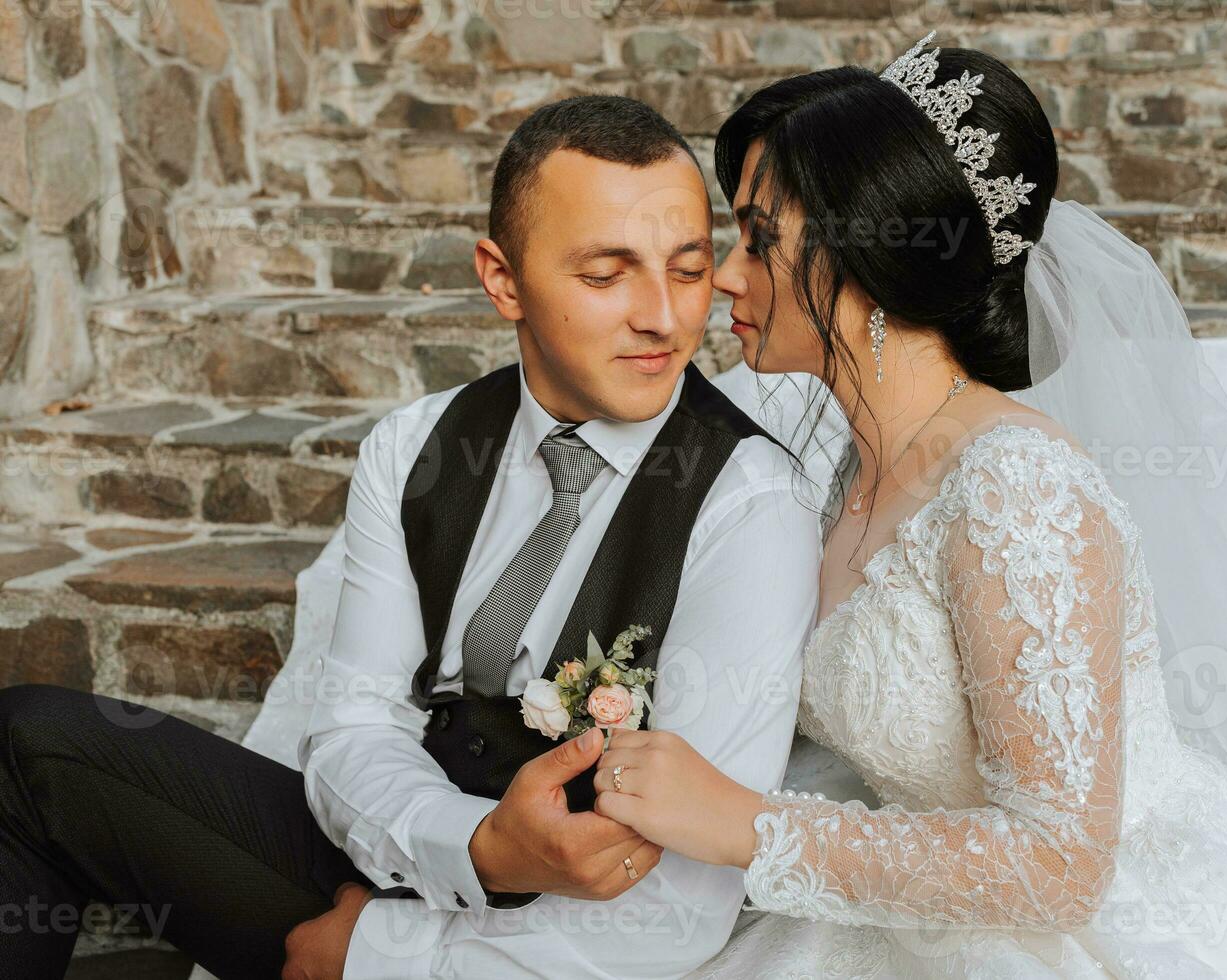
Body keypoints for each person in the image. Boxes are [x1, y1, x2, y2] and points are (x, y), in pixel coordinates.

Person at [587, 34, 1227, 978]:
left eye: (760, 239)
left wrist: (744, 824)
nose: (724, 274)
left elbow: (1060, 866)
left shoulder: (1012, 488)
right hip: (894, 885)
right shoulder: (840, 461)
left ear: (870, 255)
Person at [0, 95, 823, 980]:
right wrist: (475, 846)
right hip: (395, 855)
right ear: (501, 278)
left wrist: (378, 954)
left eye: (689, 269)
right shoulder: (415, 447)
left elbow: (679, 912)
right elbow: (355, 723)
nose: (664, 317)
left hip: (561, 939)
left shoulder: (749, 503)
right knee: (28, 740)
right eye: (605, 275)